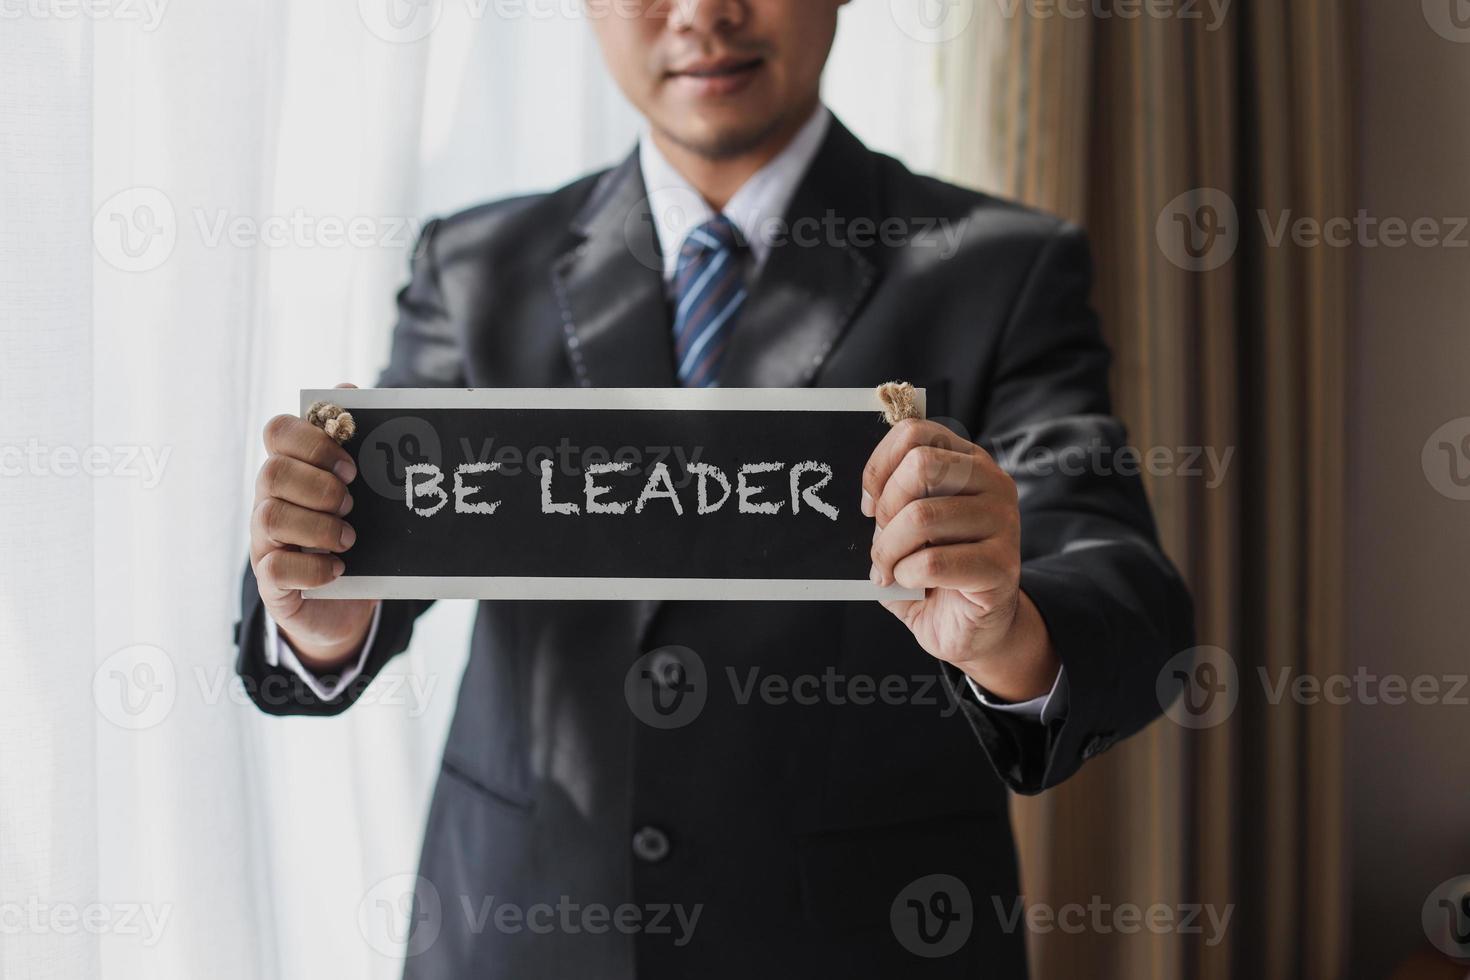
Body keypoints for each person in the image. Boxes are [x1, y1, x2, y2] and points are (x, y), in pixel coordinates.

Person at [234, 1, 1194, 976]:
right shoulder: (474, 264)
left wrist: (1009, 628)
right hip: (522, 927)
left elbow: (1124, 583)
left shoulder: (1003, 266)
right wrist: (321, 611)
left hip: (868, 939)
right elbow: (381, 536)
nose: (702, 15)